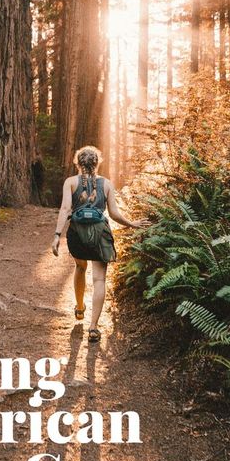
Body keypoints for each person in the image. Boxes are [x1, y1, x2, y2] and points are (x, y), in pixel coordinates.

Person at [52, 145, 146, 343]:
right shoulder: (106, 184)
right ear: (97, 163)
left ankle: (79, 308)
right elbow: (113, 214)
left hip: (77, 234)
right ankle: (93, 327)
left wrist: (57, 235)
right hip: (100, 234)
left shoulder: (70, 182)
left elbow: (65, 209)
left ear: (77, 163)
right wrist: (132, 224)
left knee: (79, 267)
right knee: (99, 280)